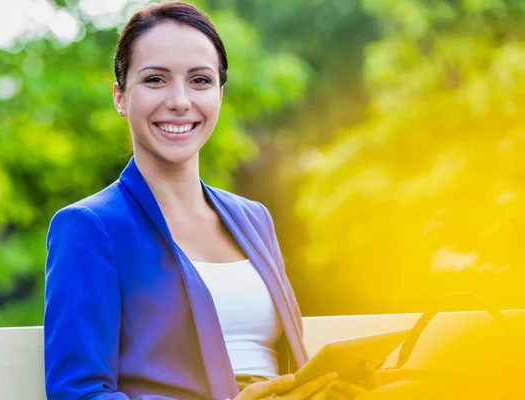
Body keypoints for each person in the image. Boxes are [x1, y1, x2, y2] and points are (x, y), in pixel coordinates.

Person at [43, 2, 366, 399]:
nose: (180, 101)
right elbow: (78, 391)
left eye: (200, 80)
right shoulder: (89, 227)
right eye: (156, 80)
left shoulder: (254, 218)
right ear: (120, 97)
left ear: (219, 94)